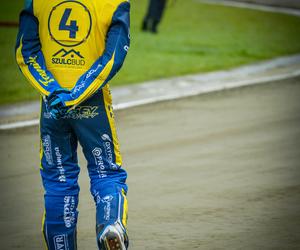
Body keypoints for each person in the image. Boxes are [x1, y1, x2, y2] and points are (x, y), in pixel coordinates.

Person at [15, 0, 130, 249]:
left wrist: (52, 90)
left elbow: (25, 51)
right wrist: (75, 95)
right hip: (93, 105)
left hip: (52, 106)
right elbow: (113, 58)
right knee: (106, 173)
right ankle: (111, 224)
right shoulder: (115, 3)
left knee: (58, 181)